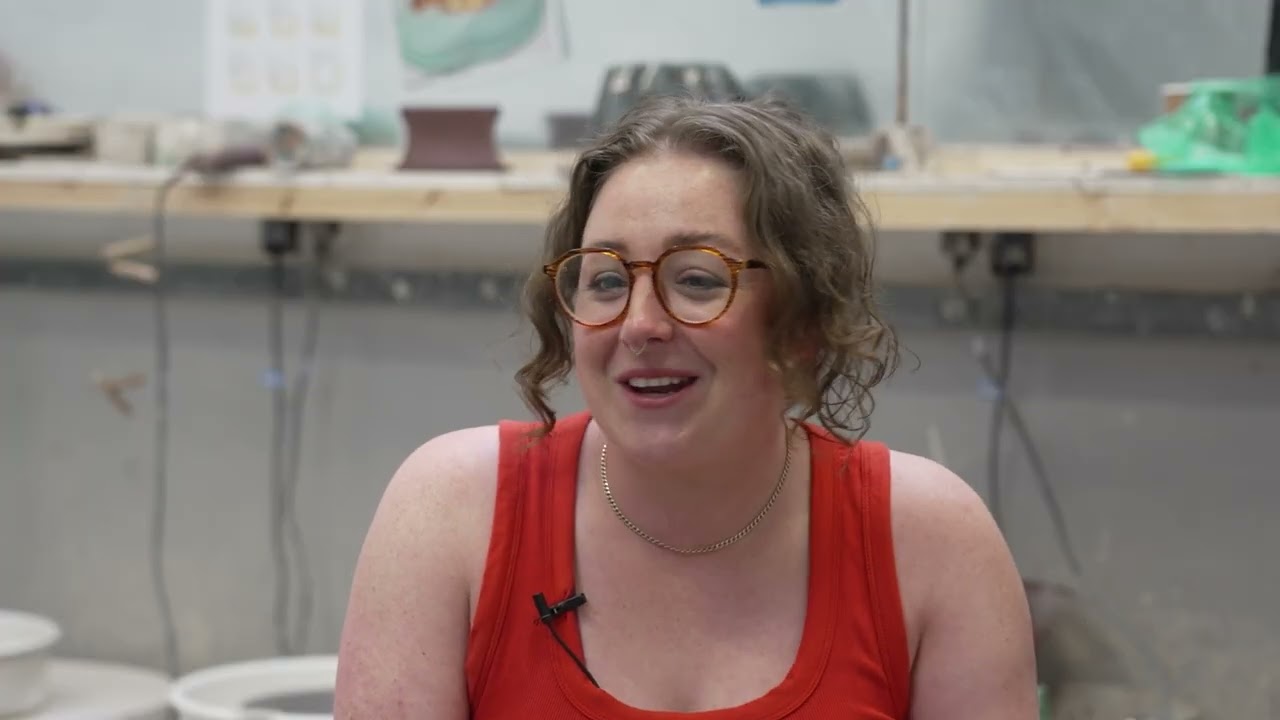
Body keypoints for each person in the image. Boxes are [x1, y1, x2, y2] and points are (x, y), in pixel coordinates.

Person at [333, 95, 1037, 719]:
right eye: (605, 279)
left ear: (801, 320)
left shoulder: (930, 542)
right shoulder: (452, 513)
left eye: (697, 279)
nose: (639, 325)